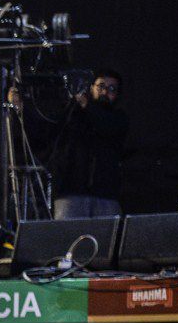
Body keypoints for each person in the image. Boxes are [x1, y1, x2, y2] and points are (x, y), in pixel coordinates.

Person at [49, 69, 127, 220]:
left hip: (106, 194)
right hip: (71, 193)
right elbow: (49, 130)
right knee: (69, 240)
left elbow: (106, 126)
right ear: (91, 88)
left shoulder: (119, 118)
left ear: (117, 94)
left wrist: (87, 105)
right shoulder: (73, 113)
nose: (104, 92)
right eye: (101, 86)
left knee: (108, 240)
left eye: (111, 89)